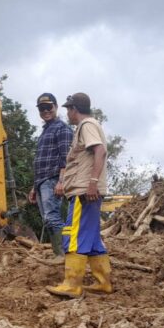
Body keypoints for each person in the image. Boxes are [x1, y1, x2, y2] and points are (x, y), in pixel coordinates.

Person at [46, 92, 112, 298]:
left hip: (85, 192)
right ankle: (104, 283)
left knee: (72, 235)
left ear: (74, 109)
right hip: (89, 190)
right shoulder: (89, 126)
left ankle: (72, 284)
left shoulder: (87, 125)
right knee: (91, 239)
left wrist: (92, 183)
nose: (67, 113)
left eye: (68, 109)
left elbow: (100, 151)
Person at [28, 93, 73, 258]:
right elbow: (40, 161)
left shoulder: (62, 129)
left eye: (49, 107)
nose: (45, 110)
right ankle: (59, 253)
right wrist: (34, 187)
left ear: (56, 107)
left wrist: (61, 181)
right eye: (42, 108)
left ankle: (64, 254)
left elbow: (66, 159)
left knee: (52, 217)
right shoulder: (45, 131)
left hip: (53, 179)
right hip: (42, 182)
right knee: (47, 219)